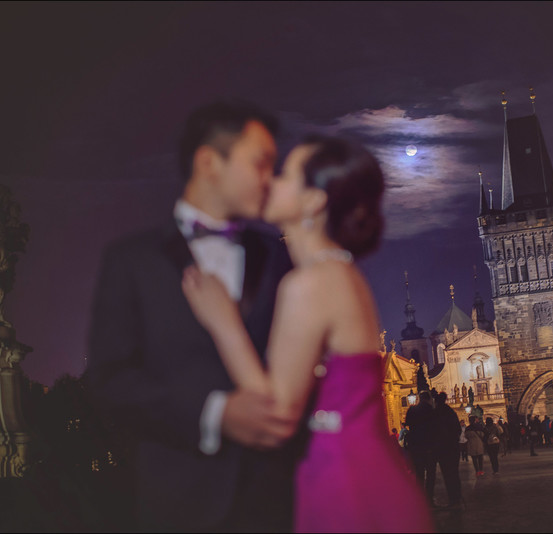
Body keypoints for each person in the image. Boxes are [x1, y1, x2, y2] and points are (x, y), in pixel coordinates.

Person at [181, 134, 432, 532]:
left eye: (285, 175)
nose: (270, 180)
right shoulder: (339, 274)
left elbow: (277, 414)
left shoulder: (312, 283)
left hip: (345, 486)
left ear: (313, 201)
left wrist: (222, 322)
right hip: (361, 474)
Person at [86, 101, 299, 532]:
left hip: (280, 503)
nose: (270, 179)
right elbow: (109, 381)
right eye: (260, 162)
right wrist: (215, 414)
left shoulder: (279, 256)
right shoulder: (131, 261)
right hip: (176, 508)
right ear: (209, 163)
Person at [406, 391, 438, 506]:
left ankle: (420, 499)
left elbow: (407, 423)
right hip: (429, 447)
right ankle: (429, 498)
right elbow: (435, 429)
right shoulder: (431, 411)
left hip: (416, 447)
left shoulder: (412, 410)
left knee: (419, 474)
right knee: (430, 475)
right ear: (429, 399)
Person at [433, 392, 463, 507]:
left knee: (447, 474)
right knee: (454, 473)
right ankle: (457, 496)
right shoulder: (451, 412)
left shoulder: (435, 414)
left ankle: (453, 498)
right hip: (453, 447)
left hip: (442, 448)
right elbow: (458, 430)